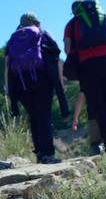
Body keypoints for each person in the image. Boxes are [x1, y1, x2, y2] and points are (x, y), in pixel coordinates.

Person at [64, 0, 106, 150]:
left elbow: (67, 50)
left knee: (98, 104)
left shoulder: (72, 24)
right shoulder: (105, 17)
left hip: (87, 65)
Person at [4, 13, 69, 163]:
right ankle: (48, 154)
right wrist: (60, 82)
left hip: (21, 83)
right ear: (35, 22)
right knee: (44, 116)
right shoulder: (42, 34)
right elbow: (55, 58)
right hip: (42, 80)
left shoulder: (13, 39)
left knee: (33, 116)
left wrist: (8, 89)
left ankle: (40, 153)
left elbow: (7, 65)